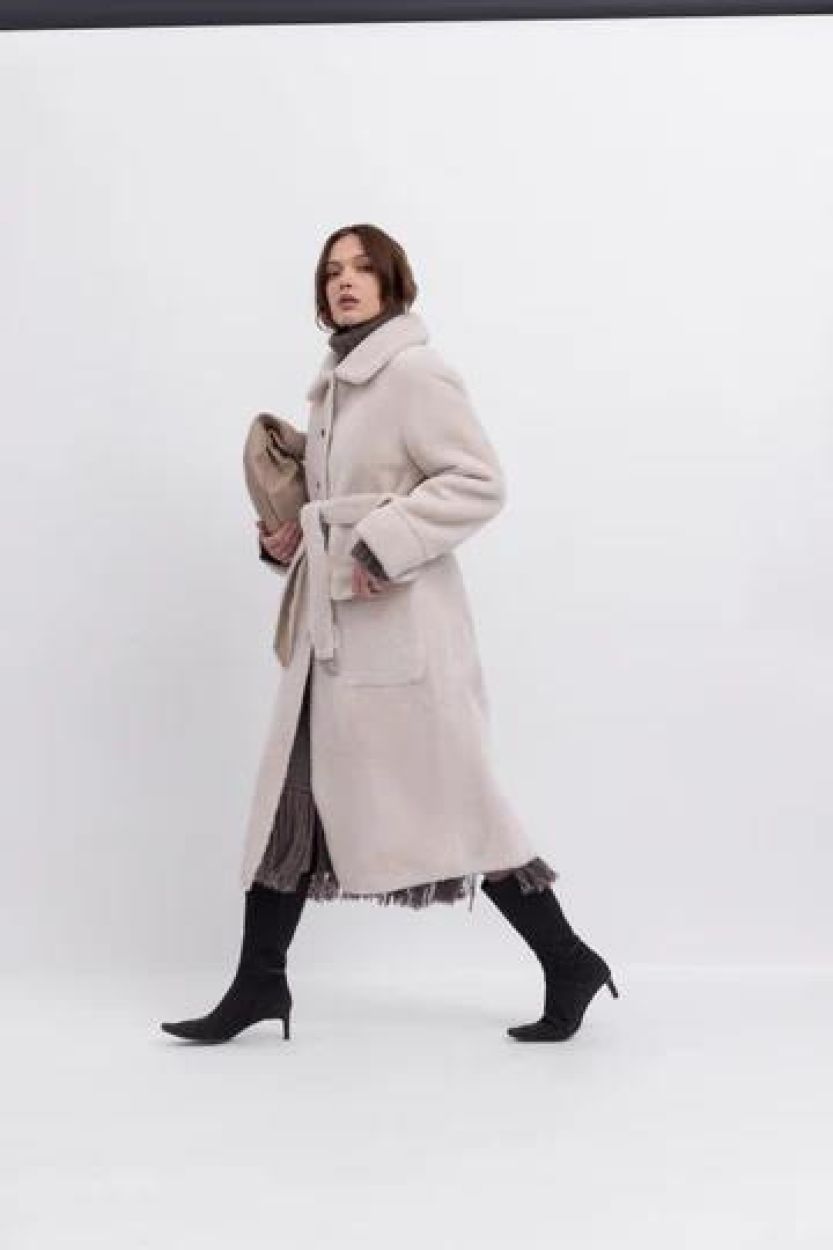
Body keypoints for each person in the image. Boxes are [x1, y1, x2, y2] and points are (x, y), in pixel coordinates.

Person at [160, 224, 618, 1046]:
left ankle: (568, 959)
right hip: (333, 636)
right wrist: (292, 537)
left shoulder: (412, 373)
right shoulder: (335, 385)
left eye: (361, 269)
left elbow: (478, 482)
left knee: (464, 809)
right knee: (286, 806)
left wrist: (382, 542)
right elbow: (336, 503)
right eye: (331, 271)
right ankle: (259, 983)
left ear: (392, 281)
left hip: (402, 636)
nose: (344, 282)